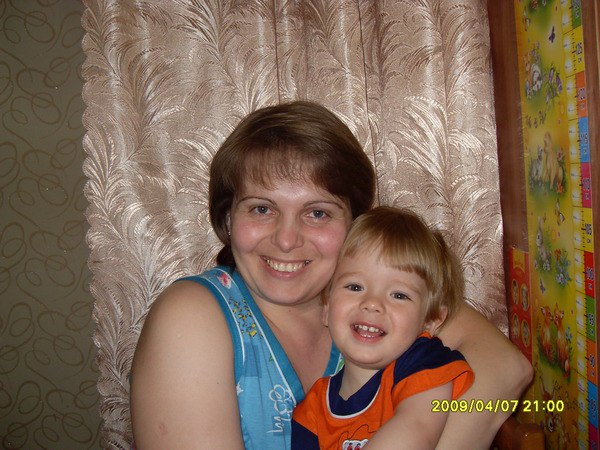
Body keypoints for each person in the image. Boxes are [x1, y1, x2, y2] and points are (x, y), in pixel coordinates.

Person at [130, 101, 532, 450]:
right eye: (261, 209)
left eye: (318, 212)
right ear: (228, 219)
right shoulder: (191, 316)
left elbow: (505, 367)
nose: (286, 239)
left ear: (354, 224)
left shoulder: (371, 300)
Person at [291, 206, 474, 449]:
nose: (372, 303)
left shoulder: (424, 363)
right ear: (326, 307)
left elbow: (417, 428)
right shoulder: (311, 412)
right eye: (355, 287)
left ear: (430, 321)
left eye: (399, 295)